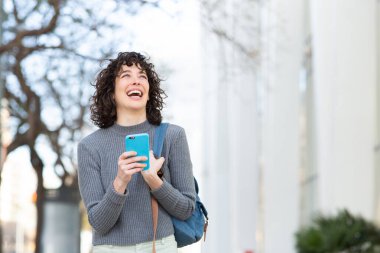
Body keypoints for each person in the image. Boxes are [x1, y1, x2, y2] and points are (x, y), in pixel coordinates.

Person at [77, 52, 196, 253]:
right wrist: (120, 182)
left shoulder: (173, 136)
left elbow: (186, 210)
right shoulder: (90, 146)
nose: (136, 81)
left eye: (142, 76)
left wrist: (155, 182)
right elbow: (98, 223)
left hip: (160, 247)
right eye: (126, 76)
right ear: (112, 92)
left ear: (149, 91)